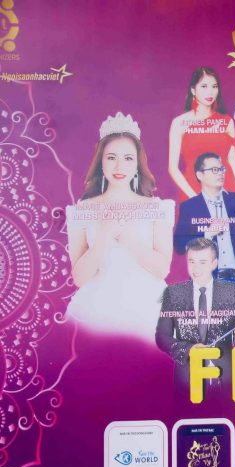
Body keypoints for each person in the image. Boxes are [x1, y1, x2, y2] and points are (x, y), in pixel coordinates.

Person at [66, 113, 172, 341]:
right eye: (111, 157)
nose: (119, 165)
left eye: (128, 158)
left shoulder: (157, 208)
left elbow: (162, 269)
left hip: (147, 309)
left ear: (137, 164)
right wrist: (104, 236)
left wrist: (129, 239)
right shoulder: (82, 210)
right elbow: (79, 277)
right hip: (95, 310)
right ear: (101, 162)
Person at [156, 237, 235, 390]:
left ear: (214, 264)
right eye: (192, 262)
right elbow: (162, 336)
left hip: (226, 378)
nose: (196, 269)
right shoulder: (173, 293)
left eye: (202, 262)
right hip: (187, 378)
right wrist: (189, 349)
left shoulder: (233, 292)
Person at [174, 152, 235, 291]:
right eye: (214, 170)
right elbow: (179, 245)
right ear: (200, 175)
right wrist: (207, 234)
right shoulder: (189, 207)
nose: (220, 173)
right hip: (207, 278)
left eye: (221, 169)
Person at [168, 67, 235, 200]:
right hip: (193, 190)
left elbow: (233, 162)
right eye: (204, 86)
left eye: (214, 86)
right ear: (193, 90)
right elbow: (173, 168)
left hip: (226, 189)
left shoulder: (226, 122)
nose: (210, 92)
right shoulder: (179, 123)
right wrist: (196, 199)